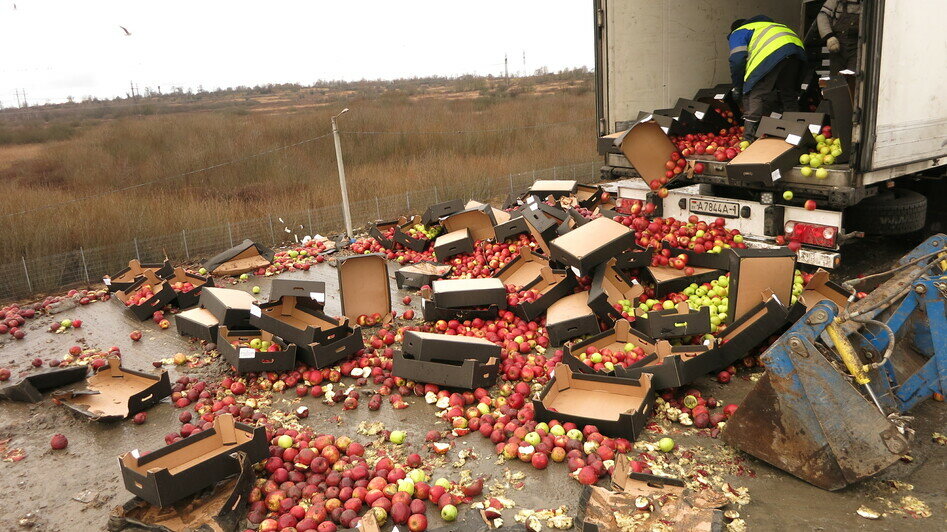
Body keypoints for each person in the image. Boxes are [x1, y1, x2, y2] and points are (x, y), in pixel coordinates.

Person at [728, 16, 807, 140]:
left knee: (756, 94)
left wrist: (738, 87)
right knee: (788, 93)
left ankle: (748, 137)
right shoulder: (766, 26)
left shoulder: (739, 32)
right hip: (795, 51)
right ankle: (796, 133)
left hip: (773, 53)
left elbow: (737, 60)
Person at [817, 0, 861, 74]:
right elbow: (822, 16)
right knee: (836, 80)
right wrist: (829, 37)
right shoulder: (834, 1)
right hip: (837, 45)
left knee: (852, 78)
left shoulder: (868, 4)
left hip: (857, 46)